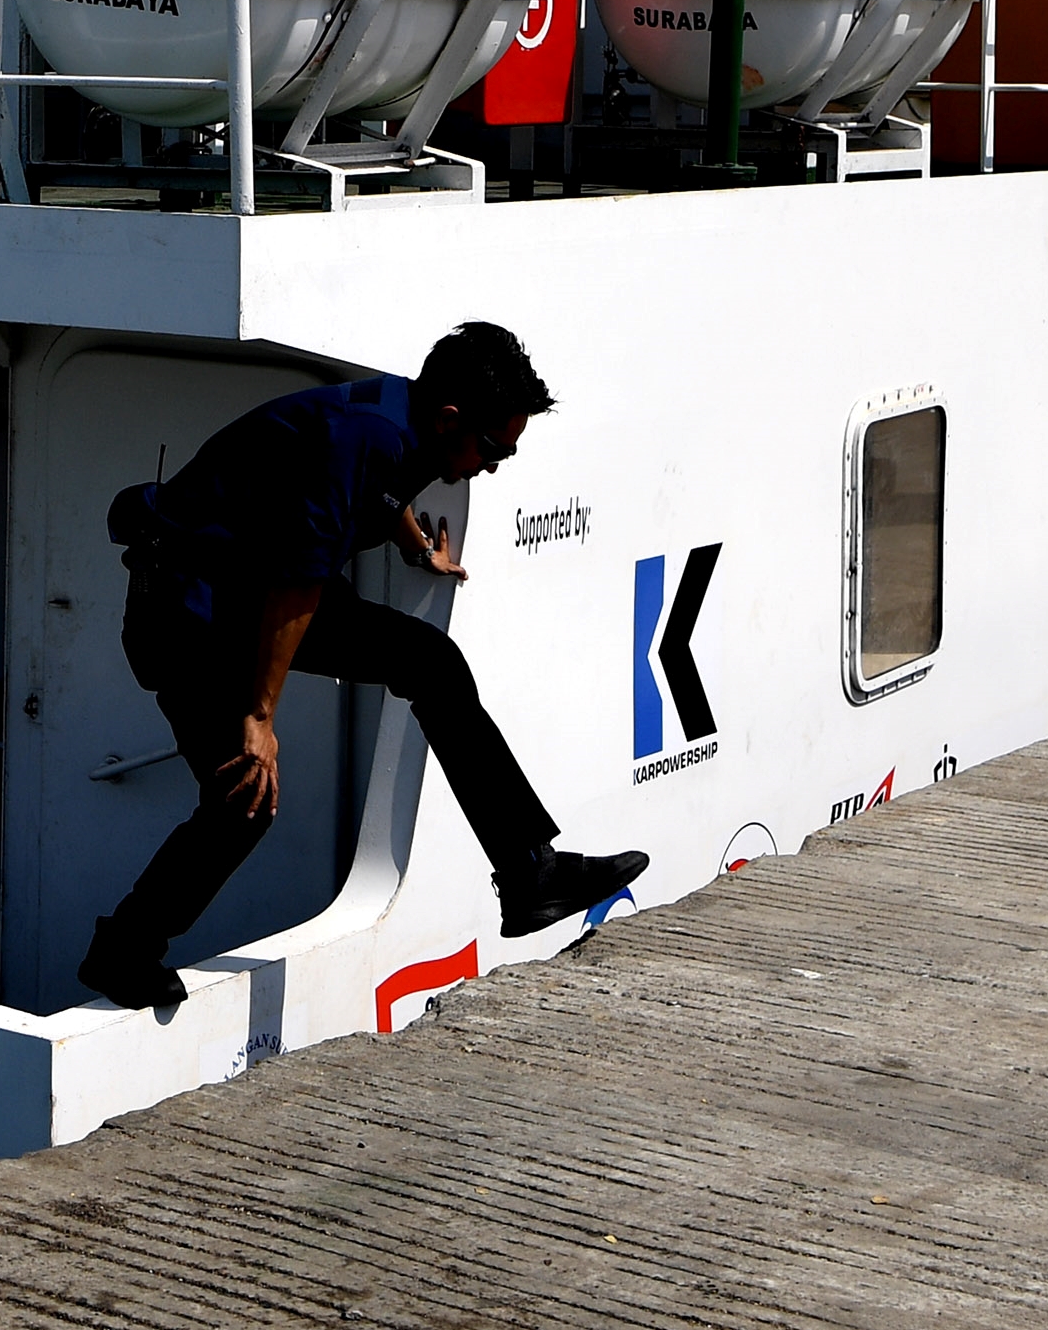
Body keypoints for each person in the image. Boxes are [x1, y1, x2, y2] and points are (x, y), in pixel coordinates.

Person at [80, 322, 644, 1012]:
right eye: (494, 449)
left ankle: (530, 873)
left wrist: (417, 547)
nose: (494, 466)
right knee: (242, 799)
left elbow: (382, 492)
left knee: (431, 661)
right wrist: (259, 716)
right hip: (190, 614)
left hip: (248, 590)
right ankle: (123, 949)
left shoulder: (409, 425)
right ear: (449, 418)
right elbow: (297, 585)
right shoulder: (366, 436)